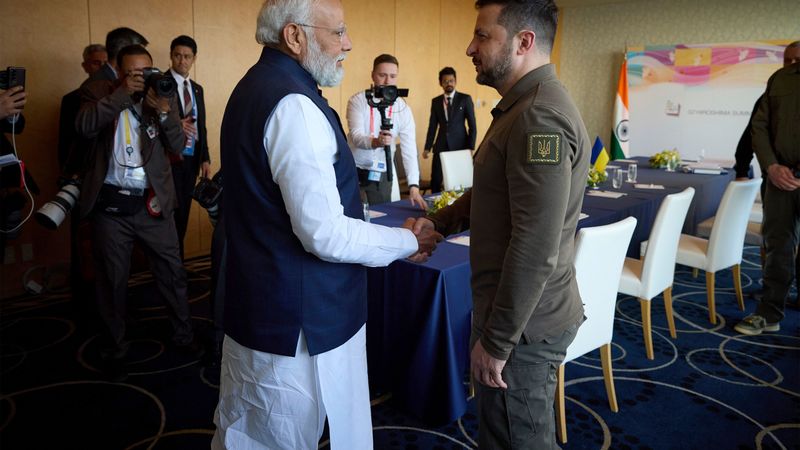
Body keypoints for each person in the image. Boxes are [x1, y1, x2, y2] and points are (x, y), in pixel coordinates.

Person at [211, 1, 442, 448]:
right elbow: (325, 233)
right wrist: (405, 240)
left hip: (263, 305)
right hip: (298, 327)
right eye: (338, 32)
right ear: (295, 36)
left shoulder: (255, 86)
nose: (348, 43)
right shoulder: (294, 105)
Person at [406, 1, 587, 447]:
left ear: (524, 42)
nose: (470, 48)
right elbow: (493, 190)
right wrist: (439, 222)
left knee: (516, 440)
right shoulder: (521, 106)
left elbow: (536, 245)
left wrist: (498, 341)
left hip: (522, 328)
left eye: (483, 36)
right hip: (516, 315)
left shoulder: (538, 116)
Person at [75, 44, 198, 381]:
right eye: (133, 73)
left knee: (172, 272)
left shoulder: (162, 92)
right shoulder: (99, 91)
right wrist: (121, 96)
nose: (142, 78)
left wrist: (163, 112)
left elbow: (177, 145)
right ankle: (115, 348)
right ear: (118, 71)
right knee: (112, 280)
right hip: (111, 206)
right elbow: (84, 126)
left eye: (147, 71)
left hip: (152, 202)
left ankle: (183, 335)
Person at [734, 42, 800, 336]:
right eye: (789, 58)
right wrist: (771, 166)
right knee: (777, 247)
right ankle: (769, 312)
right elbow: (757, 127)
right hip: (778, 179)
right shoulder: (779, 80)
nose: (793, 63)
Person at [346, 54, 426, 208]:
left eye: (393, 76)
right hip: (354, 168)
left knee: (381, 214)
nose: (387, 81)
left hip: (382, 171)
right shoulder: (358, 101)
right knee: (352, 214)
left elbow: (409, 148)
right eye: (382, 75)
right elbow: (356, 136)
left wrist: (413, 185)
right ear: (373, 75)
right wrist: (376, 142)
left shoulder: (402, 108)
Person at [166, 35, 211, 259]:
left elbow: (201, 126)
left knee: (183, 211)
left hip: (192, 159)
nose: (182, 61)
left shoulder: (197, 89)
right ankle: (172, 262)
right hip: (169, 159)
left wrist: (205, 158)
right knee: (170, 214)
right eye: (177, 55)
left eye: (187, 56)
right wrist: (176, 124)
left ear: (194, 59)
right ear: (171, 56)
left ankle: (178, 262)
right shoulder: (161, 84)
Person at [423, 66, 476, 192]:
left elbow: (472, 126)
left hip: (460, 146)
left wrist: (470, 147)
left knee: (460, 180)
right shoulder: (436, 101)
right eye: (445, 81)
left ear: (455, 81)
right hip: (440, 146)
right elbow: (432, 126)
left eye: (451, 81)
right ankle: (435, 204)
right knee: (436, 180)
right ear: (440, 83)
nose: (449, 84)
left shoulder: (465, 99)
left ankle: (460, 203)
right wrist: (427, 147)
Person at [59, 44, 108, 171]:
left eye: (106, 63)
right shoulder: (71, 99)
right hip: (83, 166)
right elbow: (66, 140)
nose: (102, 68)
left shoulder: (119, 96)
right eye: (96, 63)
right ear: (85, 66)